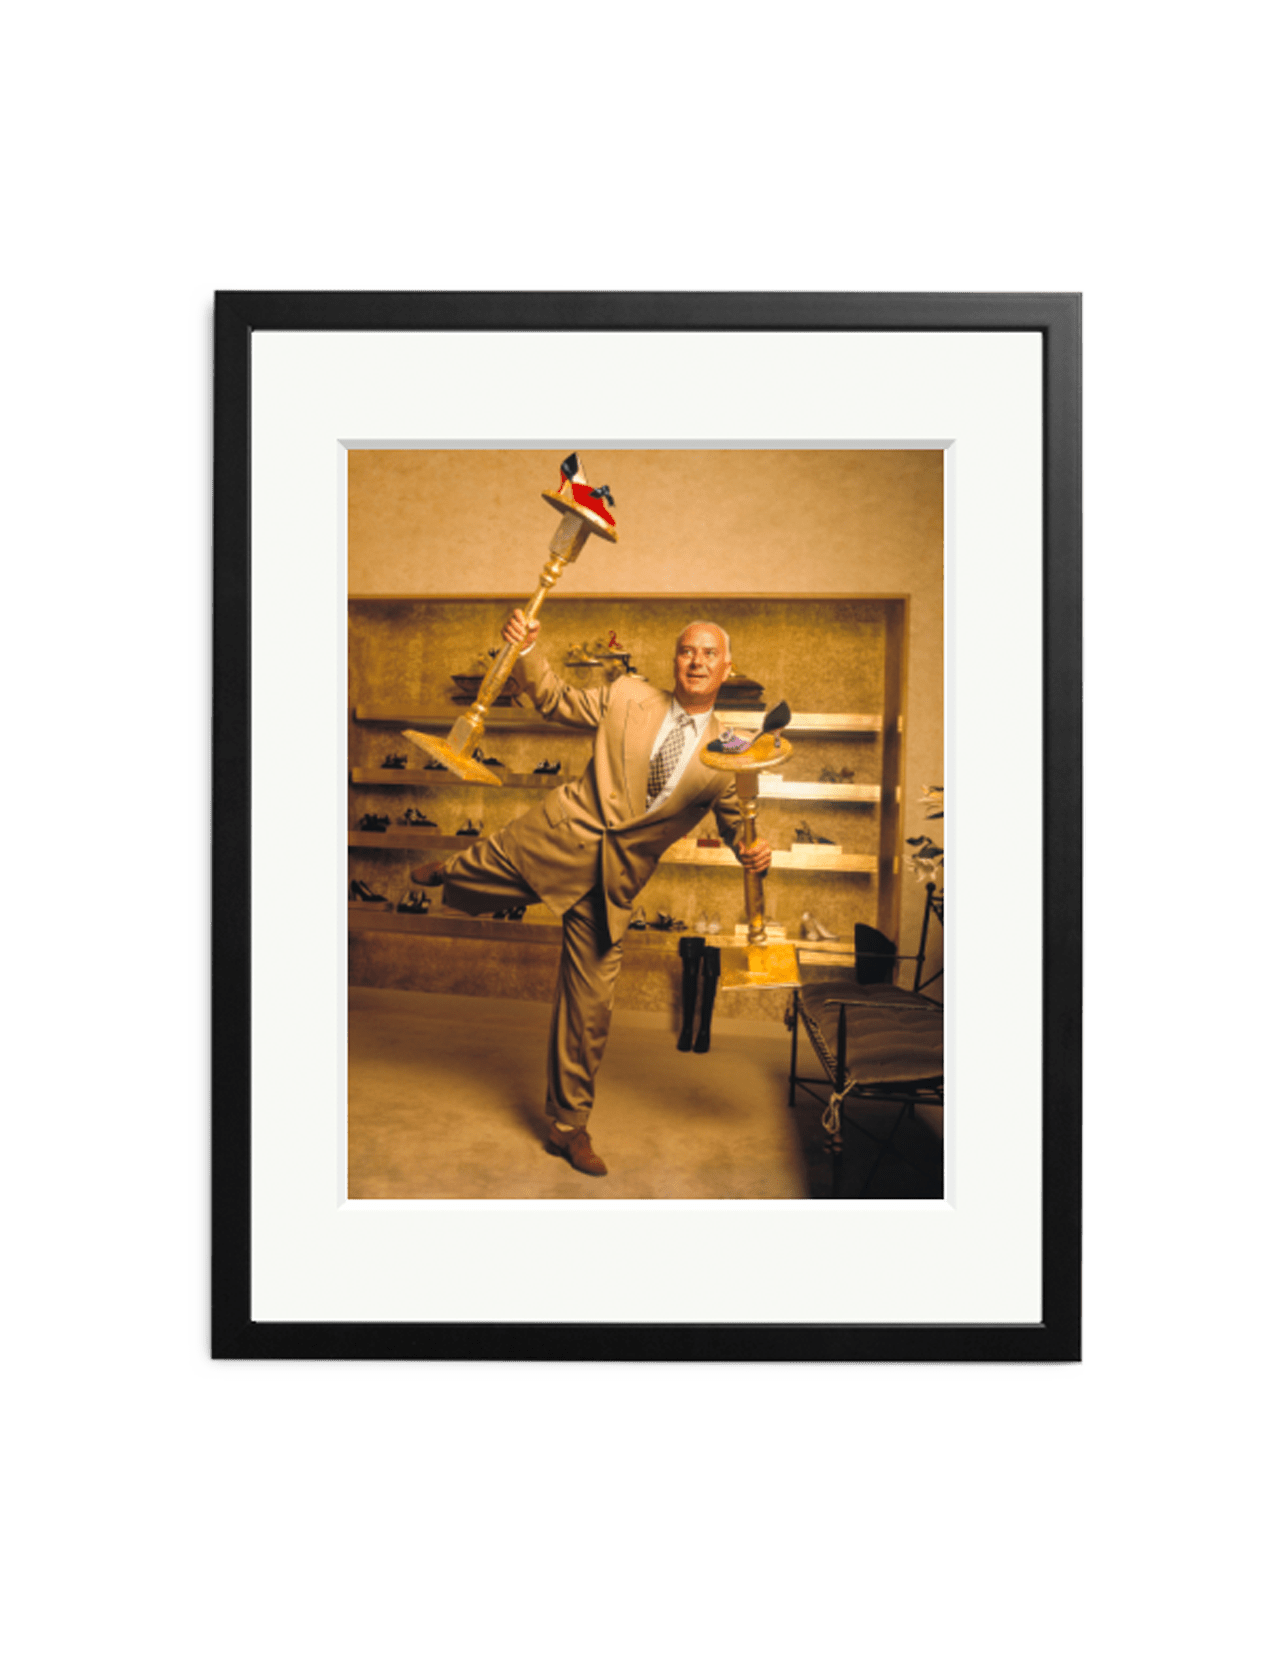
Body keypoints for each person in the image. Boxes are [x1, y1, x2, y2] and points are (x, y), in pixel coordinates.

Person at [411, 615, 772, 1177]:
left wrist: (752, 850)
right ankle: (450, 871)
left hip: (611, 885)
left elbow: (736, 827)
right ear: (673, 660)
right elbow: (554, 700)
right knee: (485, 866)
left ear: (727, 668)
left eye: (708, 654)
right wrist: (528, 650)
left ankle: (568, 1126)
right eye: (685, 651)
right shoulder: (628, 694)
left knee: (590, 1011)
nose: (696, 661)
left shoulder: (731, 752)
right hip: (558, 839)